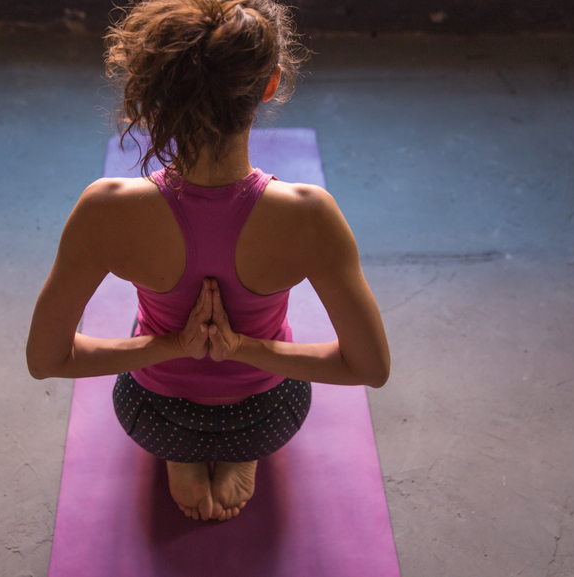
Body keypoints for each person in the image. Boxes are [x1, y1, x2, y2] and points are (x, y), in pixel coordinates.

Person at [26, 0, 390, 523]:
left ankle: (181, 454)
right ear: (269, 85)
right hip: (268, 418)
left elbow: (47, 360)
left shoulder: (105, 208)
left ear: (160, 89)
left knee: (147, 321)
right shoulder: (312, 216)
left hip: (153, 417)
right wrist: (240, 347)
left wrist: (176, 345)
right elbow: (369, 368)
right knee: (274, 346)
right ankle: (240, 451)